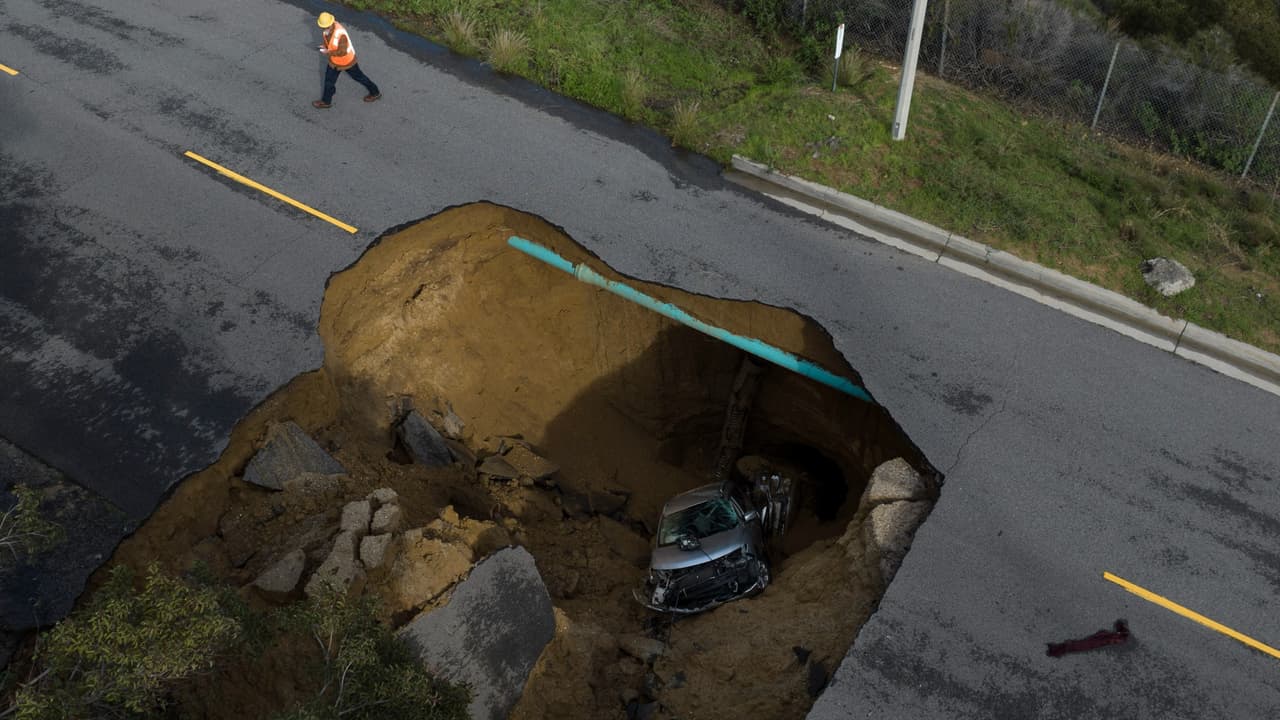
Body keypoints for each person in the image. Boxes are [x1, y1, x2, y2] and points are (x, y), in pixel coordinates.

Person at [313, 12, 381, 109]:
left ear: (330, 23)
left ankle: (375, 92)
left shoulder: (340, 34)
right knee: (328, 81)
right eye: (322, 26)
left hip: (347, 62)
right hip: (334, 62)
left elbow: (342, 52)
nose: (323, 28)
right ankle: (326, 101)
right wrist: (324, 46)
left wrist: (328, 52)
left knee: (360, 77)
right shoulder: (327, 30)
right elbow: (330, 42)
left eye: (324, 26)